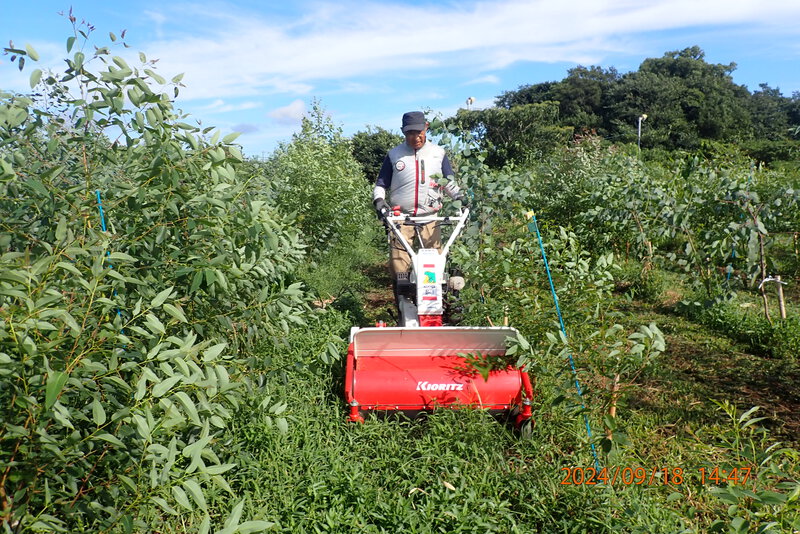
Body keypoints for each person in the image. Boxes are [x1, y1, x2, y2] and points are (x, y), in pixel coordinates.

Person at [372, 111, 465, 279]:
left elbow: (449, 183)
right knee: (398, 263)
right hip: (401, 219)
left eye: (418, 132)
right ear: (403, 131)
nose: (415, 137)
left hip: (430, 218)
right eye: (410, 133)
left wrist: (460, 198)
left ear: (426, 128)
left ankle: (433, 302)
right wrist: (379, 200)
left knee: (434, 266)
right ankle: (402, 299)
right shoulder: (394, 155)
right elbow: (381, 184)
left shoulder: (438, 153)